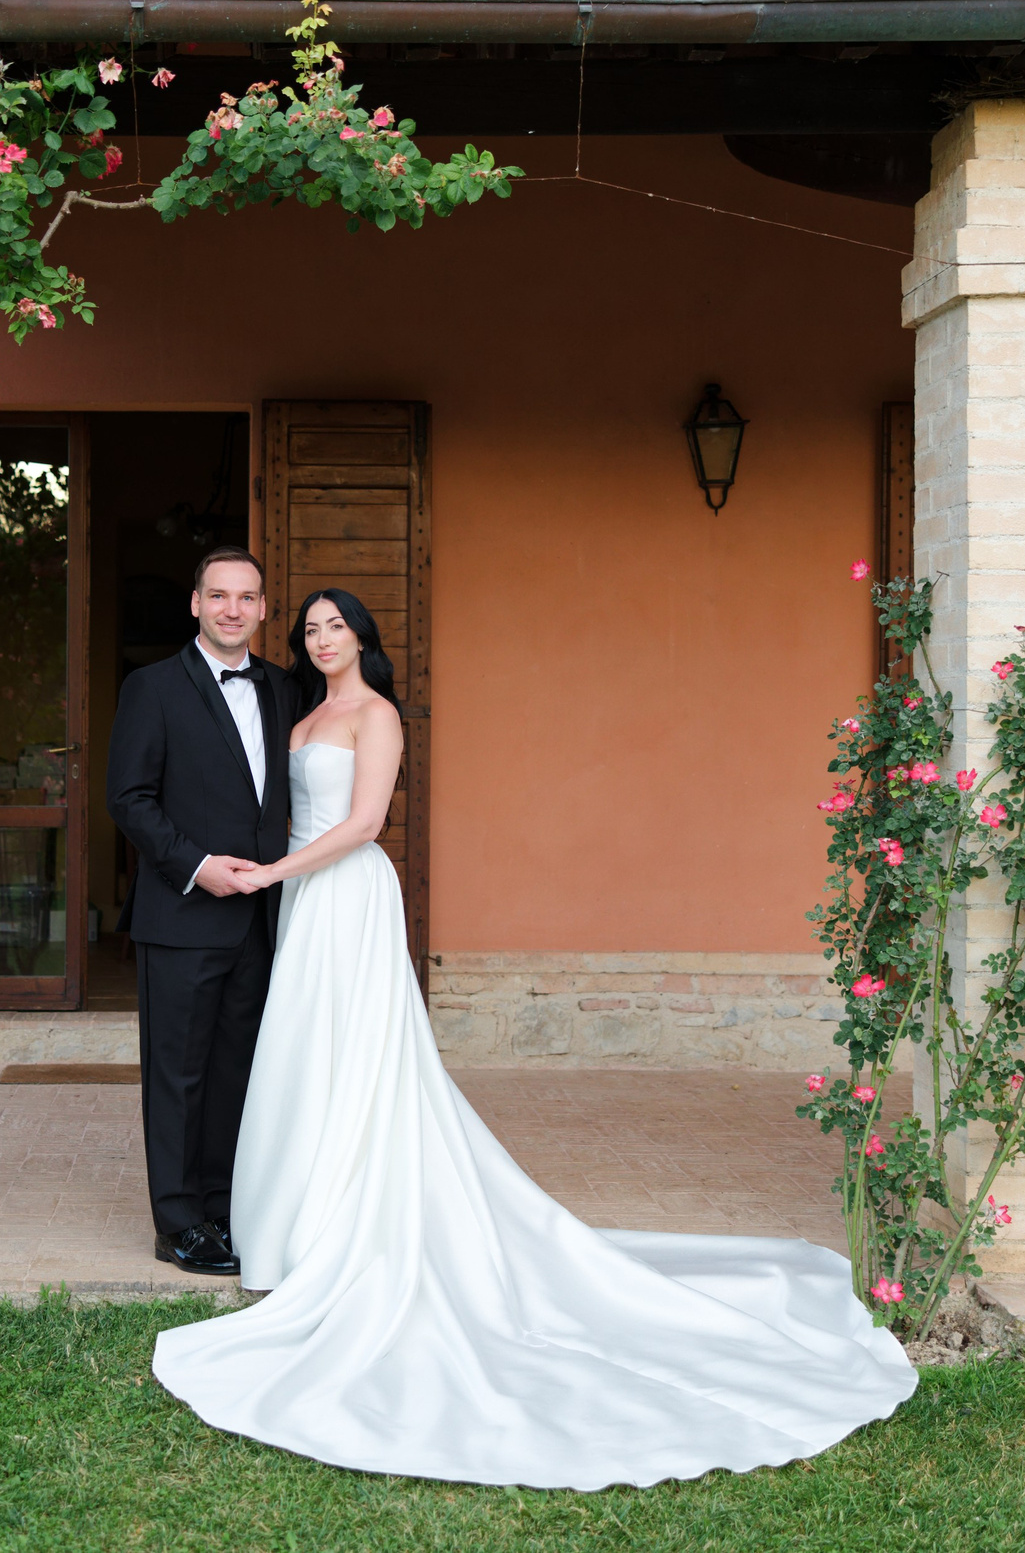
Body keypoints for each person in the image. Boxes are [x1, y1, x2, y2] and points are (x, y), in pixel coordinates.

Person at [149, 589, 920, 1489]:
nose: (323, 640)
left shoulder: (378, 714)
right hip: (303, 901)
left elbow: (363, 824)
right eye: (312, 629)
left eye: (336, 626)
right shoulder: (304, 706)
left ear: (362, 634)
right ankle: (292, 1225)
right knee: (303, 1055)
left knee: (357, 1056)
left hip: (344, 891)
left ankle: (342, 1224)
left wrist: (277, 869)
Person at [105, 547, 297, 1276]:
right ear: (195, 604)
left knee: (235, 1073)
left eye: (246, 597)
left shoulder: (281, 687)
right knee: (177, 1074)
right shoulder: (150, 687)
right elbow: (129, 797)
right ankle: (178, 1222)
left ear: (263, 609)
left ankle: (223, 1209)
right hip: (182, 915)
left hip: (260, 919)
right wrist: (196, 865)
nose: (231, 609)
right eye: (218, 595)